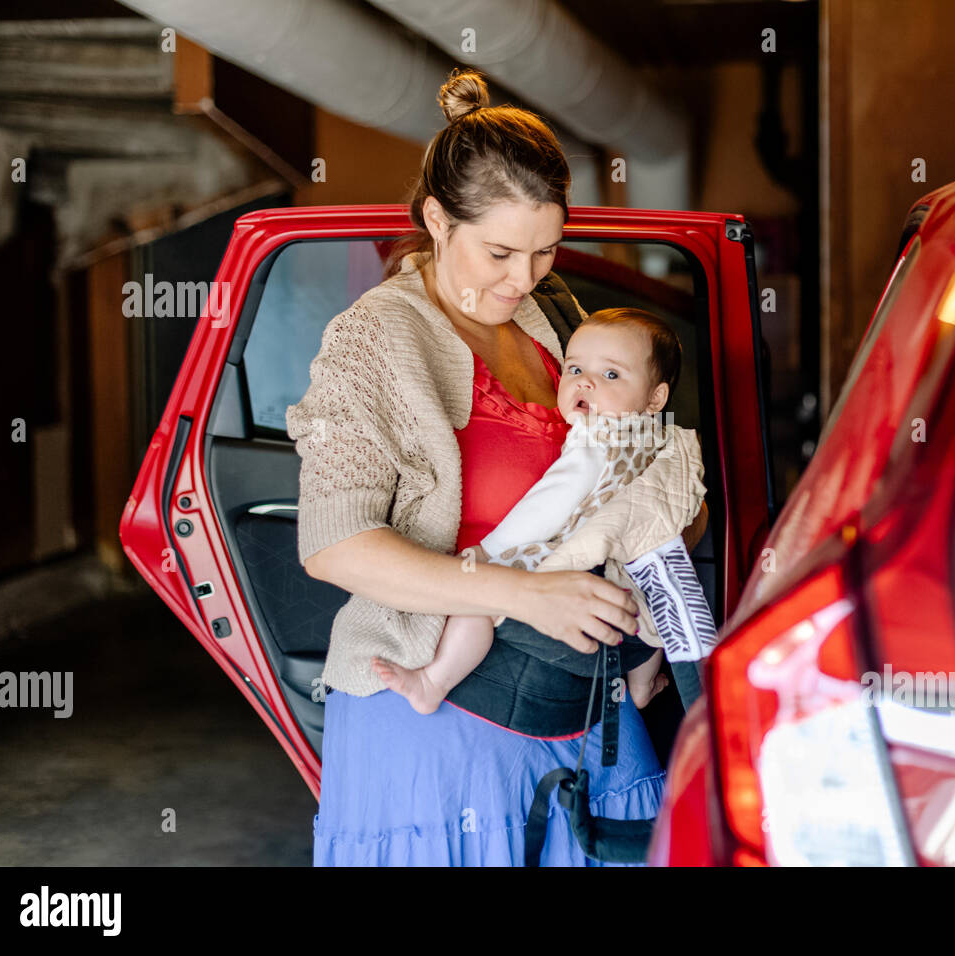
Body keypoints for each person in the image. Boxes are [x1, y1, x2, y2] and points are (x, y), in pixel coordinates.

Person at [286, 69, 708, 866]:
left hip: (580, 702)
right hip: (437, 718)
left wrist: (666, 512)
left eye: (547, 251)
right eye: (502, 252)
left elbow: (629, 450)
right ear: (437, 219)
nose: (524, 279)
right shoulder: (374, 340)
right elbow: (334, 546)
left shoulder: (552, 315)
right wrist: (522, 592)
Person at [371, 307, 716, 716]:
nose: (585, 382)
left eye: (611, 375)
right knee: (654, 606)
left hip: (575, 571)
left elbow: (552, 501)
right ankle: (640, 688)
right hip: (631, 590)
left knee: (476, 597)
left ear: (655, 397)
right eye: (574, 369)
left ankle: (433, 681)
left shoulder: (597, 437)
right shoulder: (656, 439)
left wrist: (489, 552)